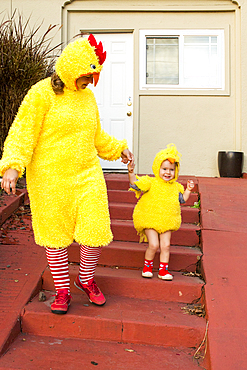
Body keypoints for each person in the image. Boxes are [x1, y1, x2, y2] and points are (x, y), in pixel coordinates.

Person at [0, 34, 134, 314]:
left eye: (93, 77)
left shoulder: (87, 98)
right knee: (56, 237)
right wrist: (13, 164)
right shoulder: (40, 94)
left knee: (95, 230)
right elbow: (23, 132)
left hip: (87, 174)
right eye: (87, 76)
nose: (90, 82)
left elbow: (96, 136)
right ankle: (62, 291)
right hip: (50, 178)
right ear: (73, 68)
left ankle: (85, 278)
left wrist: (118, 149)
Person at [128, 143, 194, 281]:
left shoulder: (176, 187)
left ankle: (163, 270)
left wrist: (188, 189)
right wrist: (131, 173)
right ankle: (147, 267)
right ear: (157, 168)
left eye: (171, 170)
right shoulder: (151, 182)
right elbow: (135, 185)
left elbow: (183, 200)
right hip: (150, 219)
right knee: (154, 244)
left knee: (166, 245)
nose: (167, 173)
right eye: (164, 169)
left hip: (167, 220)